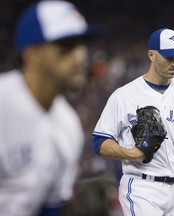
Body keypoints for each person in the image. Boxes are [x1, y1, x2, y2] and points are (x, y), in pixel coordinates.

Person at [92, 28, 174, 216]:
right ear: (151, 54)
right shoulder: (124, 95)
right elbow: (99, 142)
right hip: (142, 187)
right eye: (169, 57)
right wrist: (130, 153)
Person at [0, 1, 102, 215]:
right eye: (66, 46)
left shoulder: (68, 125)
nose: (80, 56)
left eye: (82, 44)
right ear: (31, 54)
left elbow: (50, 207)